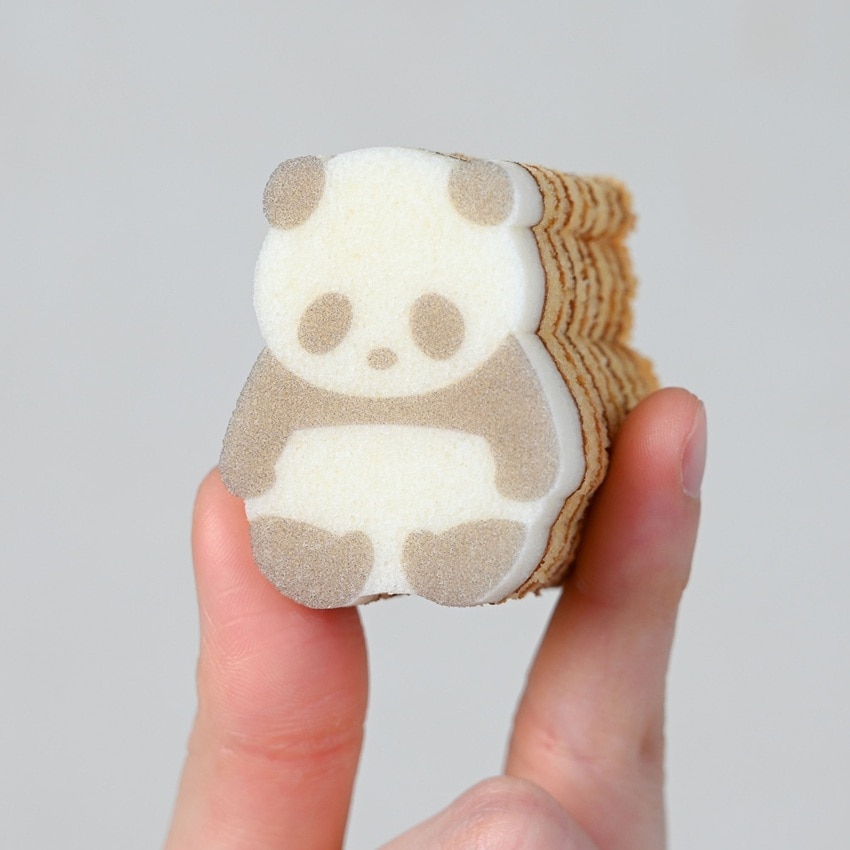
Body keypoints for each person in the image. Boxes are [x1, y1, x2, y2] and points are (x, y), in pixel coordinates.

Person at [164, 388, 705, 849]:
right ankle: (338, 543)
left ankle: (454, 542)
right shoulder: (295, 394)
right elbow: (251, 457)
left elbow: (526, 451)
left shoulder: (500, 381)